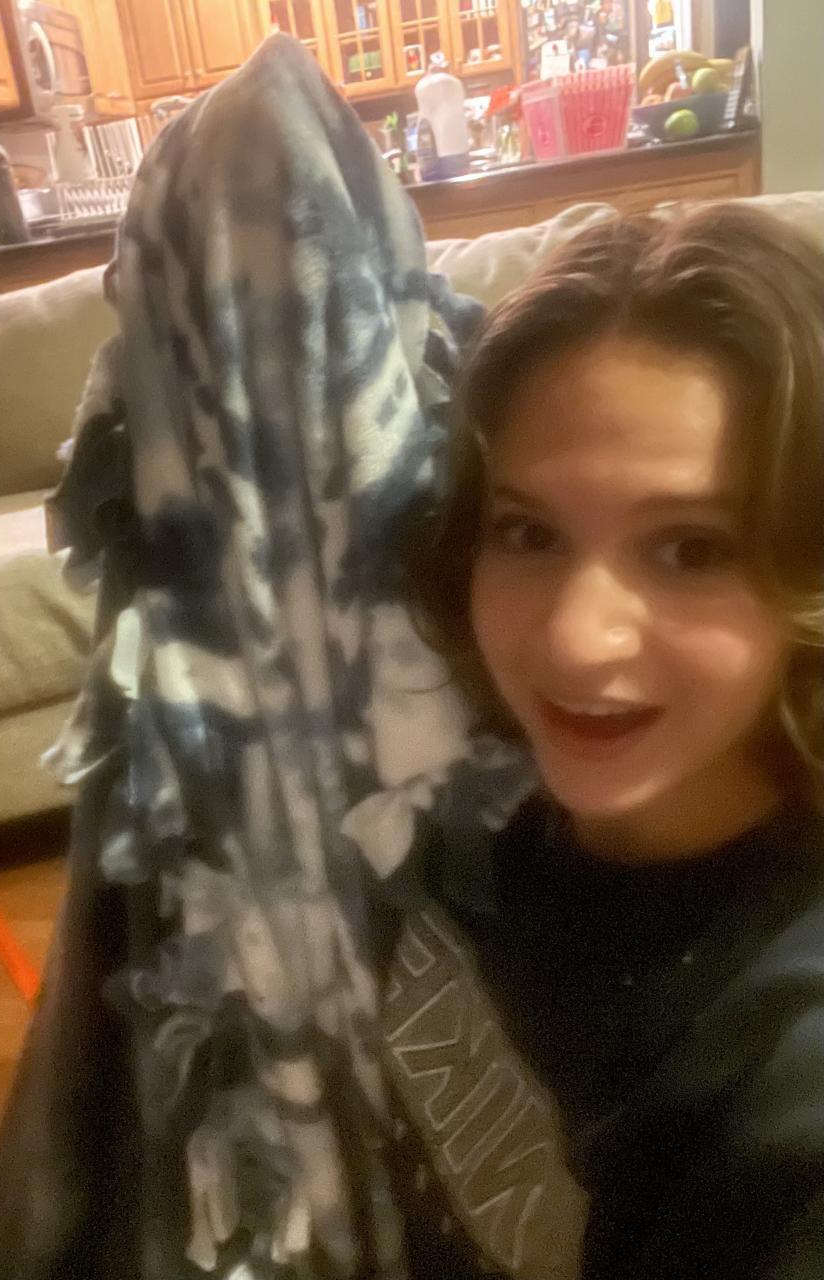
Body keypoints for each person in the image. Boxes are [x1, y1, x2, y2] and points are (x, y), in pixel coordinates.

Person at [396, 201, 824, 1278]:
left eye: (692, 548)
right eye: (528, 531)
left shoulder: (787, 1074)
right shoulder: (452, 830)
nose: (576, 642)